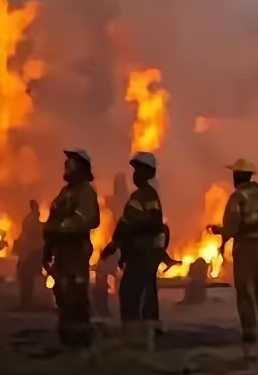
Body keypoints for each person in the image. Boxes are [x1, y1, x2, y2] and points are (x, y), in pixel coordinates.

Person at [100, 151, 164, 342]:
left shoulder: (149, 195)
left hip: (143, 253)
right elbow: (126, 223)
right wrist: (118, 246)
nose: (135, 174)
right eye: (135, 170)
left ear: (150, 173)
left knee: (134, 293)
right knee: (134, 292)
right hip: (136, 252)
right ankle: (141, 333)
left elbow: (153, 222)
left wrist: (129, 232)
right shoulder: (138, 195)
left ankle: (138, 335)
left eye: (140, 170)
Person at [209, 159, 258, 344]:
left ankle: (251, 331)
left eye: (235, 174)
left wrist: (219, 232)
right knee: (257, 288)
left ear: (239, 175)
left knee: (244, 289)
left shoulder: (238, 196)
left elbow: (232, 225)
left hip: (245, 246)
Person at [43, 149, 101, 349]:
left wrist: (59, 228)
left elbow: (87, 219)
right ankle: (67, 339)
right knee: (62, 294)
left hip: (76, 250)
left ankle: (81, 343)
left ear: (82, 168)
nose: (66, 166)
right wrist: (48, 245)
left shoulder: (86, 191)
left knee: (76, 295)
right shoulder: (65, 192)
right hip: (60, 252)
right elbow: (53, 220)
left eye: (72, 163)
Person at [13, 199, 44, 310]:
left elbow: (35, 237)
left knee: (26, 278)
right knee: (26, 278)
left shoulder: (33, 221)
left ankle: (26, 303)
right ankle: (26, 303)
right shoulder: (31, 221)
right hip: (29, 252)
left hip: (31, 253)